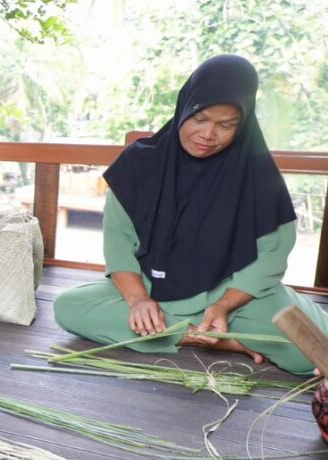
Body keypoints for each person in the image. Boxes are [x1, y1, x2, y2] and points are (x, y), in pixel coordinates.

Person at [53, 54, 328, 376]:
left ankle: (204, 329)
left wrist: (223, 306)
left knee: (306, 354)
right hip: (153, 289)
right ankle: (214, 340)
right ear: (185, 106)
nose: (208, 134)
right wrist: (138, 300)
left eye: (226, 125)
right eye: (200, 118)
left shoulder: (257, 175)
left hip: (231, 297)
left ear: (243, 124)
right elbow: (118, 242)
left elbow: (271, 256)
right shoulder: (140, 163)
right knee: (69, 308)